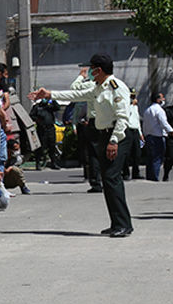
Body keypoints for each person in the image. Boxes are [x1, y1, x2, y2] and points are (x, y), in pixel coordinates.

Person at [32, 53, 133, 237]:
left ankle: (124, 224)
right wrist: (49, 94)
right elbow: (77, 94)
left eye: (92, 69)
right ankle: (117, 222)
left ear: (99, 70)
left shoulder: (116, 88)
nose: (91, 73)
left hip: (115, 137)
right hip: (104, 135)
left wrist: (114, 140)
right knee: (108, 180)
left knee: (112, 179)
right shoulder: (98, 87)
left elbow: (122, 118)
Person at [141, 91, 173, 182]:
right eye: (162, 98)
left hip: (149, 136)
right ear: (158, 99)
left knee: (150, 158)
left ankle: (150, 176)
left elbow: (145, 125)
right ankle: (155, 177)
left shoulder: (147, 110)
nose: (164, 99)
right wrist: (172, 132)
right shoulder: (159, 110)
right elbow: (164, 123)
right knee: (157, 158)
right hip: (157, 137)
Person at [30, 96, 60, 169]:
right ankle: (38, 163)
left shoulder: (49, 107)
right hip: (42, 129)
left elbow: (57, 107)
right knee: (40, 147)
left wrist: (52, 99)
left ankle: (53, 163)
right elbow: (31, 115)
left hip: (50, 128)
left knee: (52, 146)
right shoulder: (37, 107)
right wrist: (38, 120)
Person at [124, 92, 143, 180]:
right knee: (127, 153)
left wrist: (140, 133)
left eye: (134, 97)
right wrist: (131, 104)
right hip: (128, 130)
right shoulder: (126, 106)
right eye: (131, 97)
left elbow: (137, 120)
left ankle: (136, 172)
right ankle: (126, 172)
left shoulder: (136, 107)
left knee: (137, 153)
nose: (133, 99)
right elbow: (127, 115)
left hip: (135, 130)